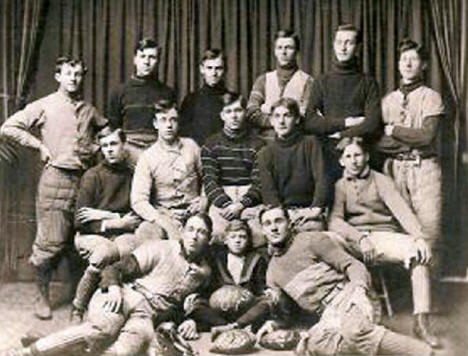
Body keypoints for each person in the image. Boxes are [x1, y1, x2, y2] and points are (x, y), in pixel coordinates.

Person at [7, 213, 213, 356]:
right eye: (191, 229)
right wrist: (115, 289)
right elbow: (114, 269)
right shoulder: (161, 249)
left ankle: (56, 346)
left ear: (208, 239)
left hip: (146, 315)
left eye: (201, 232)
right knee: (104, 329)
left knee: (128, 350)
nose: (194, 236)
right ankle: (28, 353)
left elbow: (198, 307)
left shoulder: (204, 273)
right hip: (123, 294)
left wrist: (193, 322)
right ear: (182, 231)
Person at [0, 56, 107, 320]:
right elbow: (8, 127)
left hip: (84, 180)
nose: (73, 78)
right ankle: (42, 296)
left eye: (78, 74)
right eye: (68, 73)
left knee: (81, 239)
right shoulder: (46, 105)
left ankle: (80, 298)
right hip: (55, 179)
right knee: (50, 243)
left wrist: (94, 147)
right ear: (58, 76)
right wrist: (39, 146)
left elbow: (108, 136)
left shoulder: (89, 110)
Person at [256, 206, 433, 356]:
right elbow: (287, 312)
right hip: (328, 314)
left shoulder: (312, 240)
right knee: (313, 345)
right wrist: (274, 323)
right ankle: (369, 342)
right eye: (267, 224)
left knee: (355, 332)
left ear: (289, 223)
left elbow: (353, 265)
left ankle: (423, 352)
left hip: (350, 294)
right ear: (263, 230)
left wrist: (359, 291)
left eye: (278, 221)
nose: (273, 228)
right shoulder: (272, 272)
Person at [329, 139, 441, 347]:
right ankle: (345, 318)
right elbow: (335, 220)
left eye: (358, 155)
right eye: (349, 156)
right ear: (342, 161)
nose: (354, 161)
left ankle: (421, 321)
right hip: (356, 239)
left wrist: (419, 237)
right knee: (330, 241)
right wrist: (360, 238)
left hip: (383, 237)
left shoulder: (380, 180)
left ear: (367, 156)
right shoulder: (340, 186)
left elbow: (402, 211)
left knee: (419, 253)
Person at [377, 38, 444, 264]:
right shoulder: (388, 101)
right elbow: (378, 143)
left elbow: (427, 136)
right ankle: (403, 294)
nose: (407, 63)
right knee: (397, 228)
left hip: (424, 168)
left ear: (423, 64)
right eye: (403, 59)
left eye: (413, 59)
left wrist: (394, 129)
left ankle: (430, 296)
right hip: (395, 169)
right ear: (397, 64)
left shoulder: (431, 97)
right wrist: (408, 139)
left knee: (427, 231)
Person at [70, 127, 145, 323]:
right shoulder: (92, 176)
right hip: (90, 235)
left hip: (122, 234)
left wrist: (104, 214)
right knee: (105, 252)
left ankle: (115, 311)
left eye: (113, 144)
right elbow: (80, 222)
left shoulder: (133, 175)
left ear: (124, 145)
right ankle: (78, 307)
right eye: (104, 146)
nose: (109, 150)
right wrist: (116, 222)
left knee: (132, 249)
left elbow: (136, 217)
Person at [303, 24, 382, 184]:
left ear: (358, 47)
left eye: (349, 42)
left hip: (358, 154)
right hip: (326, 154)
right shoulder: (321, 81)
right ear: (333, 45)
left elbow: (372, 123)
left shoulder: (368, 82)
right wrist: (346, 123)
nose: (343, 48)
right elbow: (310, 121)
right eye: (339, 42)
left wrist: (344, 135)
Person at [131, 99, 207, 241]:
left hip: (194, 212)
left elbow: (208, 177)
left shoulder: (191, 147)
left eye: (173, 120)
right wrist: (162, 220)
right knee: (146, 232)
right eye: (163, 120)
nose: (169, 125)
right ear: (155, 124)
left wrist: (204, 198)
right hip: (165, 214)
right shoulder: (148, 157)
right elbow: (138, 201)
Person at [183, 220, 270, 337]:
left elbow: (260, 286)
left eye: (242, 237)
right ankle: (225, 325)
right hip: (219, 309)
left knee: (269, 302)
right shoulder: (217, 258)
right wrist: (198, 295)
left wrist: (266, 291)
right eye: (233, 237)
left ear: (248, 240)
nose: (237, 241)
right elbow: (209, 285)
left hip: (246, 309)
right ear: (226, 240)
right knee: (196, 304)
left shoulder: (256, 259)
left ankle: (233, 326)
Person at [201, 92, 265, 244]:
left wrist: (242, 204)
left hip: (250, 199)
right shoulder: (211, 145)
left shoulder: (259, 144)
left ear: (245, 113)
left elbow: (260, 182)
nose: (234, 116)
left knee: (259, 236)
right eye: (229, 111)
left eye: (238, 111)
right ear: (222, 115)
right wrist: (228, 205)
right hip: (222, 197)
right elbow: (210, 182)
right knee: (216, 234)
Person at [257, 97, 329, 232]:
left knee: (310, 234)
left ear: (296, 119)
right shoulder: (265, 153)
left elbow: (321, 179)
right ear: (271, 121)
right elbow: (269, 192)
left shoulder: (311, 143)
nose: (281, 121)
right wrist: (283, 217)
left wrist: (315, 209)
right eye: (277, 116)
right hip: (280, 213)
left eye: (287, 115)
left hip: (309, 210)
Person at [107, 38, 176, 163]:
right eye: (142, 56)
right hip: (129, 154)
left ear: (158, 61)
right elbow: (113, 129)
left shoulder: (167, 93)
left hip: (158, 152)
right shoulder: (119, 92)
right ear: (135, 59)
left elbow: (171, 127)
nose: (146, 62)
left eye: (152, 57)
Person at [247, 29, 313, 139]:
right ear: (274, 51)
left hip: (295, 142)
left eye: (289, 47)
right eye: (279, 48)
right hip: (266, 142)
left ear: (297, 51)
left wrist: (267, 109)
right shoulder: (263, 80)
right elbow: (251, 113)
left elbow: (306, 116)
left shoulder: (308, 81)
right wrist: (284, 118)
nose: (283, 52)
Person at [179, 48, 230, 145]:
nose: (214, 73)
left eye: (218, 68)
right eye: (209, 68)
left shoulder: (233, 100)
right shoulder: (191, 100)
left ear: (225, 70)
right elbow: (183, 135)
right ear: (202, 69)